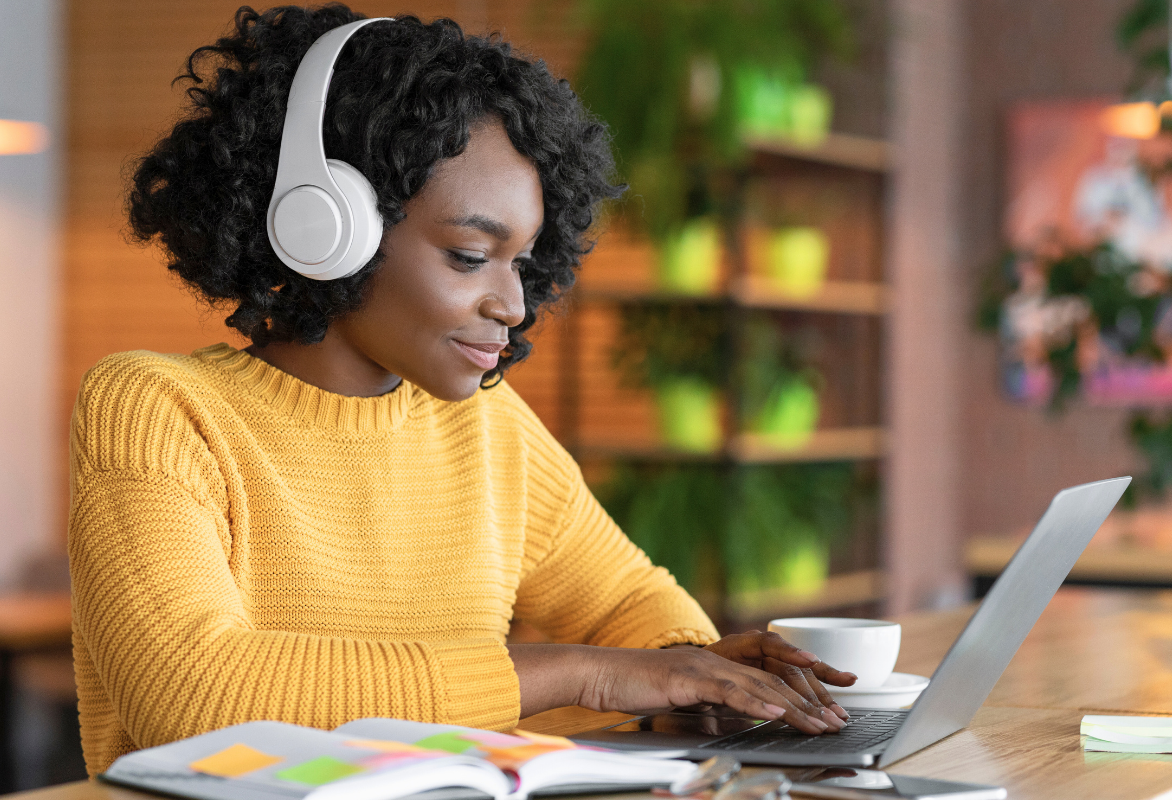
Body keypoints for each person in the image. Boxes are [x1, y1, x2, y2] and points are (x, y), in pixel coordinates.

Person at [67, 3, 855, 776]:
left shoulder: (487, 428)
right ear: (327, 227)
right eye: (471, 255)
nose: (512, 305)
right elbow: (193, 694)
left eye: (522, 261)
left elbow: (636, 609)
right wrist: (587, 674)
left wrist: (695, 670)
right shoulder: (156, 410)